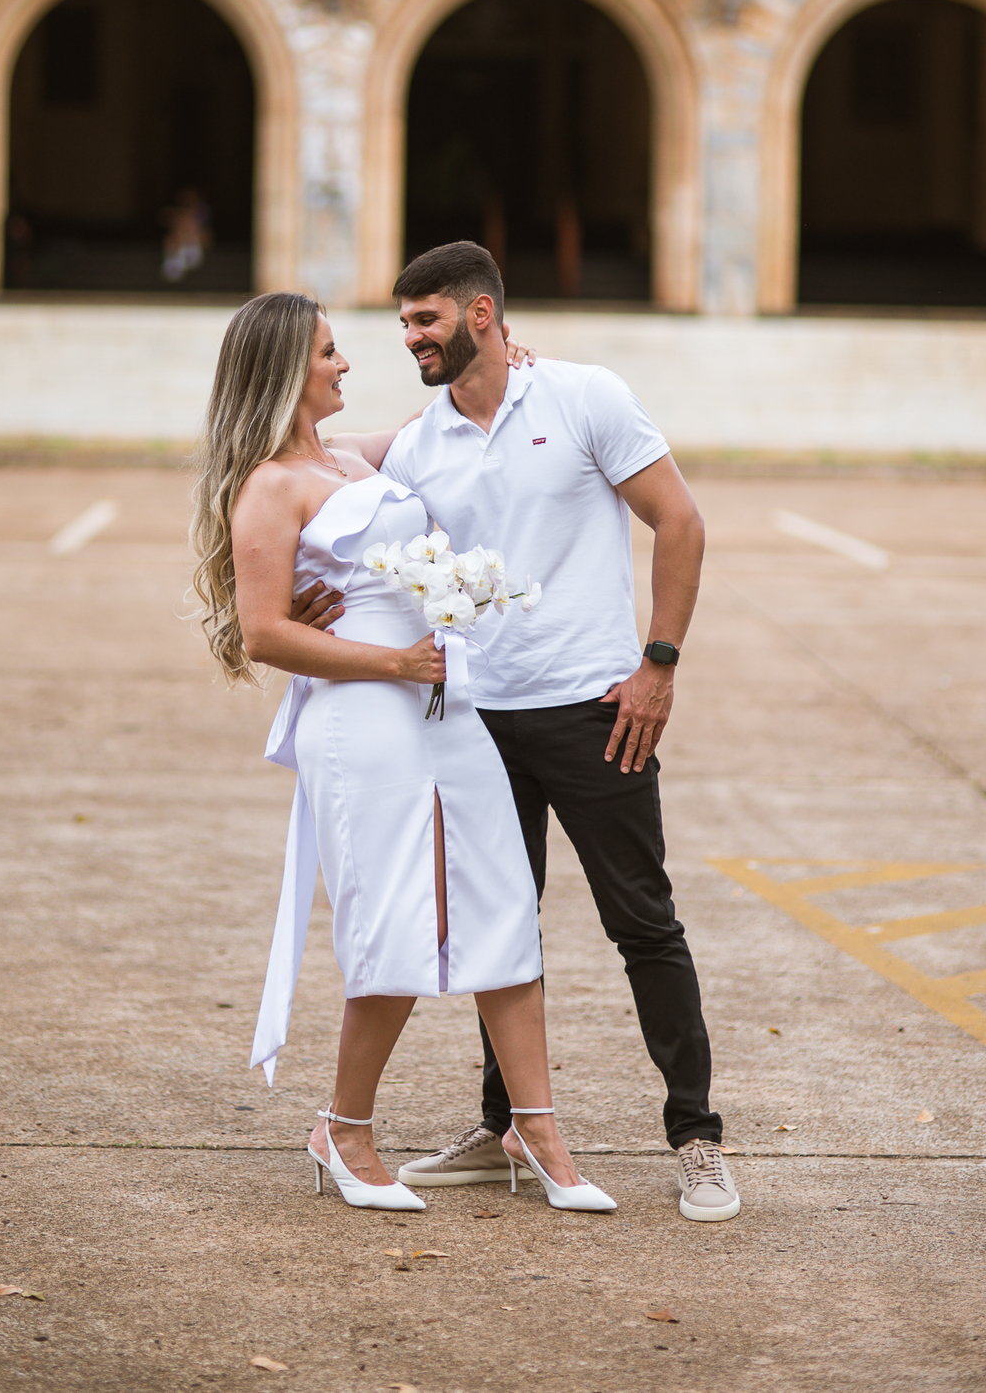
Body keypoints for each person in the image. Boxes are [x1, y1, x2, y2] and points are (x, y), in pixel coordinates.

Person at [189, 291, 615, 1215]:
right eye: (330, 353)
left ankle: (534, 1127)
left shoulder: (348, 456)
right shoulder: (270, 485)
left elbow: (443, 416)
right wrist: (393, 660)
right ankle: (342, 1130)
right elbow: (263, 633)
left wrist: (501, 354)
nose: (345, 366)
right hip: (363, 718)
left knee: (502, 894)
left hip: (441, 702)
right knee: (395, 917)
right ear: (282, 372)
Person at [374, 241, 740, 1223]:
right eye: (403, 324)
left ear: (482, 315)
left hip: (597, 711)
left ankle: (697, 1139)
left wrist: (657, 664)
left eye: (426, 321)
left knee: (643, 922)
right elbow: (354, 495)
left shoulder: (584, 397)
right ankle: (503, 1132)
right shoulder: (420, 442)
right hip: (477, 724)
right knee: (499, 931)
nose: (410, 339)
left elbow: (681, 521)